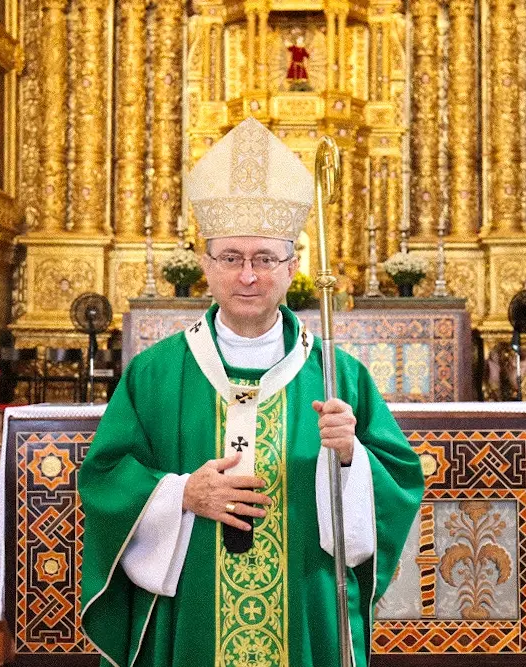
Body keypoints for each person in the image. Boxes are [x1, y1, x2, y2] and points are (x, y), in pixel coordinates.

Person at [78, 117, 424, 667]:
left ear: (291, 268)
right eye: (231, 258)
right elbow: (105, 477)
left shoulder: (340, 375)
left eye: (265, 259)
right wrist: (179, 494)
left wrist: (351, 458)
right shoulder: (154, 374)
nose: (248, 276)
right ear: (206, 265)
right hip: (190, 604)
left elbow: (398, 482)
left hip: (303, 601)